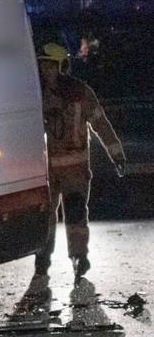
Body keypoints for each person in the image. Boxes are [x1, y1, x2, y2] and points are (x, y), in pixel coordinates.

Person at [35, 43, 126, 279]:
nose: (45, 70)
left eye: (49, 65)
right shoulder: (37, 94)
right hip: (45, 170)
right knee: (46, 215)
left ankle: (78, 257)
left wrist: (116, 154)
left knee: (75, 213)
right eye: (43, 64)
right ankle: (42, 257)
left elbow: (100, 124)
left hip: (75, 168)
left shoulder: (80, 93)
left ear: (61, 66)